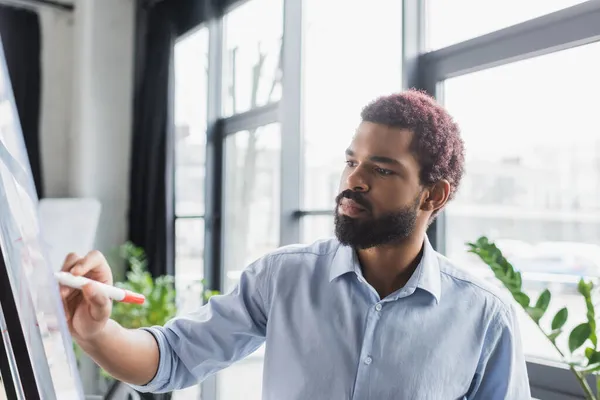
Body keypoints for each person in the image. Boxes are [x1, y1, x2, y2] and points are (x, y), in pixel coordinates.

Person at [60, 89, 531, 399]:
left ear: (434, 194)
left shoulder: (485, 317)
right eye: (352, 161)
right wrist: (98, 333)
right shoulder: (282, 277)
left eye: (382, 169)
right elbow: (175, 356)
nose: (354, 180)